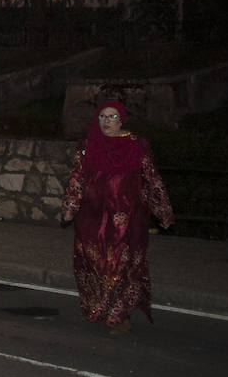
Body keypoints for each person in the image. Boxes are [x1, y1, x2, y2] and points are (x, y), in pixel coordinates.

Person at [60, 100, 174, 334]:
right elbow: (77, 178)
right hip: (92, 218)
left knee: (121, 266)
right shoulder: (88, 145)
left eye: (112, 117)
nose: (106, 122)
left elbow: (152, 180)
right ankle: (101, 307)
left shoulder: (137, 146)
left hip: (127, 219)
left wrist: (163, 211)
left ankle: (120, 316)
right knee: (96, 264)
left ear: (122, 120)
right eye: (102, 117)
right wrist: (70, 207)